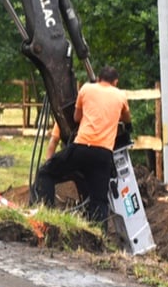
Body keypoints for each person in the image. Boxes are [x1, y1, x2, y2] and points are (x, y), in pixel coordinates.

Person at [34, 66, 131, 223]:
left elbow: (77, 117)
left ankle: (46, 219)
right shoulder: (121, 96)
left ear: (98, 79)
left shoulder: (86, 89)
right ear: (116, 81)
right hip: (104, 154)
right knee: (99, 200)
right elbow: (127, 120)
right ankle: (99, 239)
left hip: (82, 147)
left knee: (46, 173)